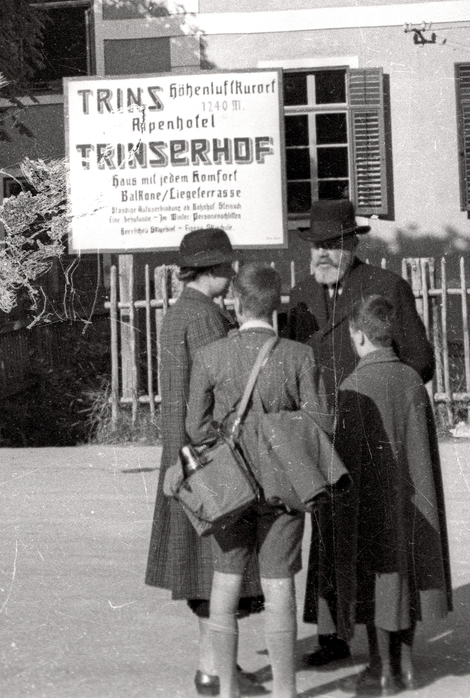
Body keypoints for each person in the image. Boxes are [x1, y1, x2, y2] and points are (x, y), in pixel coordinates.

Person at [295, 198, 435, 667]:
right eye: (316, 246)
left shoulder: (386, 287)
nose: (323, 255)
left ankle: (390, 636)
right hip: (323, 436)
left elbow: (420, 360)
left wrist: (379, 390)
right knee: (327, 533)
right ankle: (333, 634)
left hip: (375, 435)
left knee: (380, 535)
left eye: (332, 245)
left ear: (353, 243)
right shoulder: (298, 298)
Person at [186, 263, 331, 698]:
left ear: (235, 301)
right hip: (284, 486)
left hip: (230, 488)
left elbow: (196, 429)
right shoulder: (299, 356)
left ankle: (227, 689)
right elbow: (321, 421)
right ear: (277, 305)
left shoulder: (211, 356)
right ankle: (286, 692)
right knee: (279, 584)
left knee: (226, 583)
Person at [144, 228, 268, 697]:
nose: (233, 274)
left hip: (182, 455)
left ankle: (215, 667)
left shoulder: (180, 314)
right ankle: (215, 673)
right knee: (218, 570)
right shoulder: (207, 319)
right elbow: (219, 392)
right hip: (207, 456)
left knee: (205, 572)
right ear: (210, 270)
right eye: (227, 267)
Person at [330, 296, 453, 695]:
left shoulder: (353, 385)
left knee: (375, 580)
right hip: (416, 498)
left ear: (359, 336)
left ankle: (381, 667)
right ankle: (407, 663)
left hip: (371, 501)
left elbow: (346, 457)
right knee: (409, 575)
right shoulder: (412, 380)